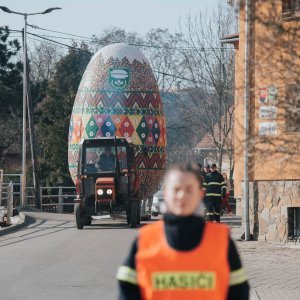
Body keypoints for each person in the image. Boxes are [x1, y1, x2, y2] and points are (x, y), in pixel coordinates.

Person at [117, 163, 249, 300]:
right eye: (176, 189)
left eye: (189, 189)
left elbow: (239, 293)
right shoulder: (145, 241)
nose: (181, 195)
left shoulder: (221, 242)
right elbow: (127, 292)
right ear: (166, 193)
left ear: (200, 194)